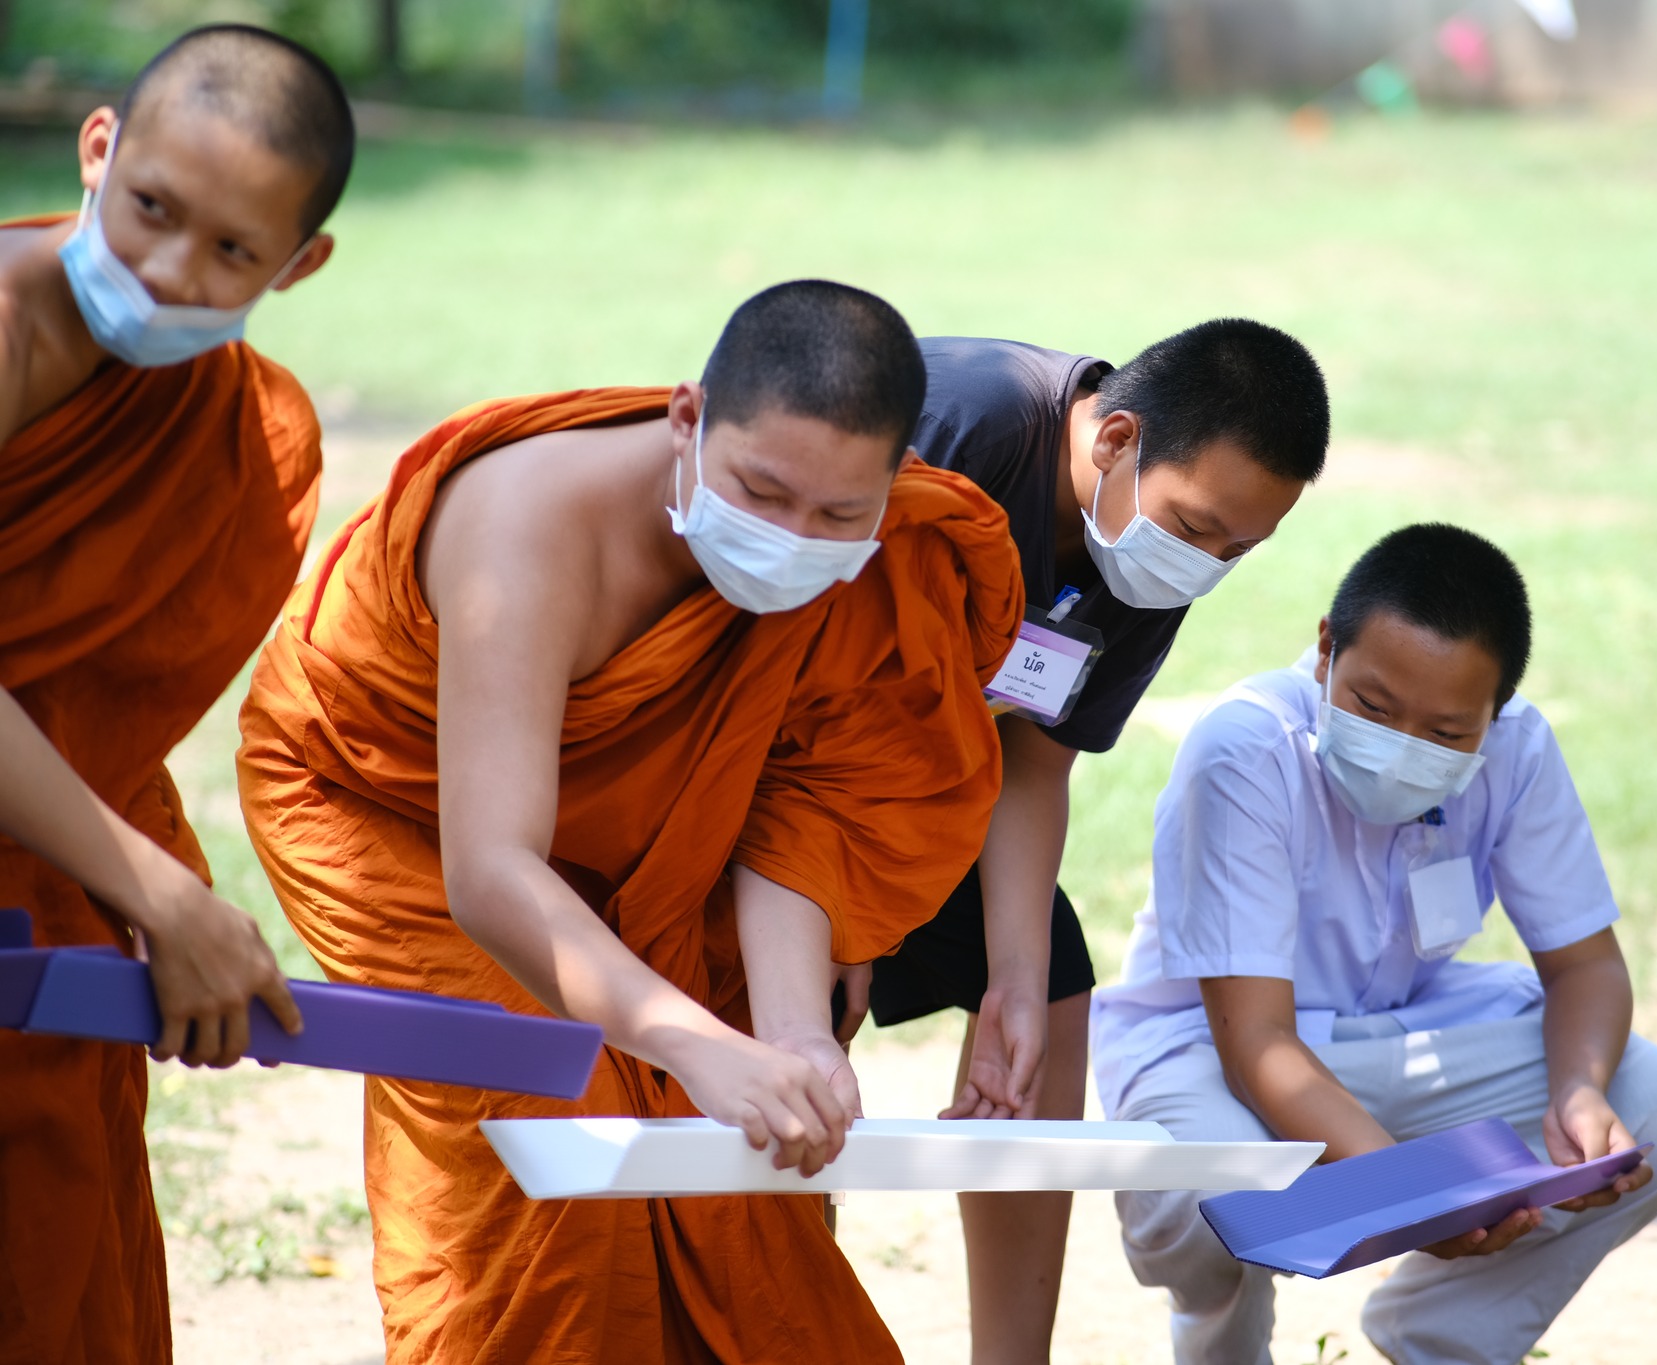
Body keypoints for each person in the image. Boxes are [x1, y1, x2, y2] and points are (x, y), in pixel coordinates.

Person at [236, 280, 1024, 1362]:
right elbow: (492, 868)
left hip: (640, 835)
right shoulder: (527, 529)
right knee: (547, 1101)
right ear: (687, 417)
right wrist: (696, 1044)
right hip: (390, 802)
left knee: (733, 1160)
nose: (792, 538)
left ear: (891, 488)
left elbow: (801, 810)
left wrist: (787, 1031)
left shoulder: (877, 557)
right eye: (760, 491)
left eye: (840, 516)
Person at [1091, 523, 1657, 1365]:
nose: (1402, 749)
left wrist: (1579, 1092)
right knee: (1215, 1186)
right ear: (1325, 649)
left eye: (1448, 734)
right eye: (1374, 708)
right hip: (1215, 1052)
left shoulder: (1519, 747)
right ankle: (1221, 1348)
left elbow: (1585, 965)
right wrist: (1410, 1195)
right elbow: (1257, 1042)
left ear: (1496, 713)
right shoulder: (1245, 750)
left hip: (1409, 1032)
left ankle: (1439, 1340)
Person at [854, 324, 1329, 1362]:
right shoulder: (965, 425)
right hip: (771, 778)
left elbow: (1033, 762)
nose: (1205, 565)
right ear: (1114, 440)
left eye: (1238, 551)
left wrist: (1014, 984)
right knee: (790, 1014)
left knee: (1051, 983)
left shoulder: (1147, 556)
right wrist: (838, 923)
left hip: (919, 795)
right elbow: (797, 685)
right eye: (1197, 528)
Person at [0, 26, 352, 1364]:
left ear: (298, 266)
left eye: (231, 251)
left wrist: (127, 888)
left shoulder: (239, 424)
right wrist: (157, 893)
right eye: (151, 207)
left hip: (43, 883)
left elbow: (92, 716)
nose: (167, 270)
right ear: (98, 150)